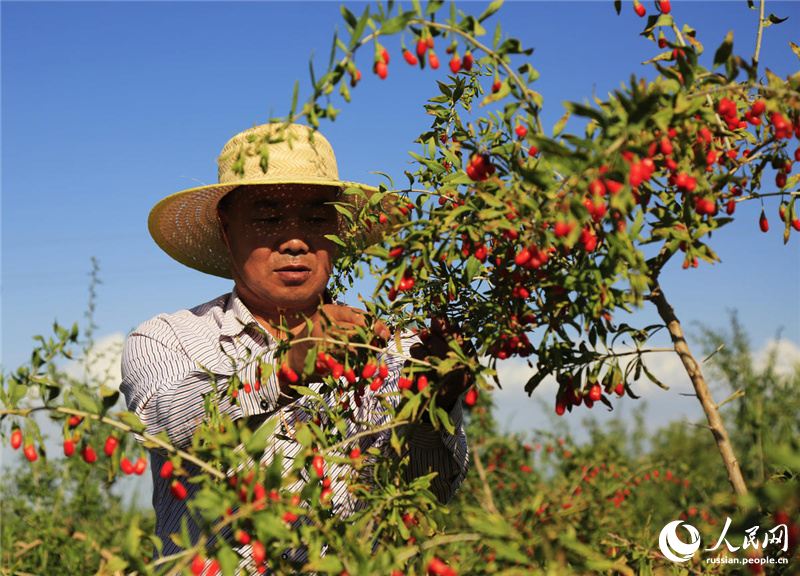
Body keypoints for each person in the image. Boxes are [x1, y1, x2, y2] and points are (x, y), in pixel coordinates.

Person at [120, 123, 470, 568]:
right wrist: (286, 365)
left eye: (316, 218)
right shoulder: (170, 338)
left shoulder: (390, 351)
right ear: (227, 232)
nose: (294, 240)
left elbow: (427, 496)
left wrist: (434, 401)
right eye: (268, 218)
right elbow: (168, 424)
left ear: (338, 230)